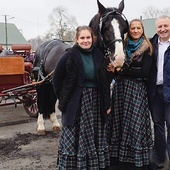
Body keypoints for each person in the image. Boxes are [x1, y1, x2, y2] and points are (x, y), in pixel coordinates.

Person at [52, 25, 112, 169]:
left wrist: (107, 104)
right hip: (75, 102)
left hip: (96, 101)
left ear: (93, 38)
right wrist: (64, 99)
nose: (86, 41)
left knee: (94, 135)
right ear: (77, 39)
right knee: (75, 135)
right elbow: (56, 79)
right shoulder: (68, 55)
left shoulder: (99, 56)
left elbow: (105, 82)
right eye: (82, 38)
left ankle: (92, 165)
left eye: (88, 37)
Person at [108, 19, 153, 170]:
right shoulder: (123, 46)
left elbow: (144, 72)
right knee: (119, 122)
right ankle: (120, 158)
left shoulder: (147, 48)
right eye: (133, 28)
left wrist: (122, 70)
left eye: (138, 28)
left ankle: (137, 160)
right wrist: (114, 70)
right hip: (121, 89)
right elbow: (115, 69)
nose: (135, 30)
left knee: (135, 124)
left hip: (137, 90)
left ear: (142, 30)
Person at [147, 15, 170, 169]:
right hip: (155, 91)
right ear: (156, 29)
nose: (162, 29)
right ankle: (160, 158)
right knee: (158, 125)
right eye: (160, 27)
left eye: (165, 26)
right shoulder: (151, 44)